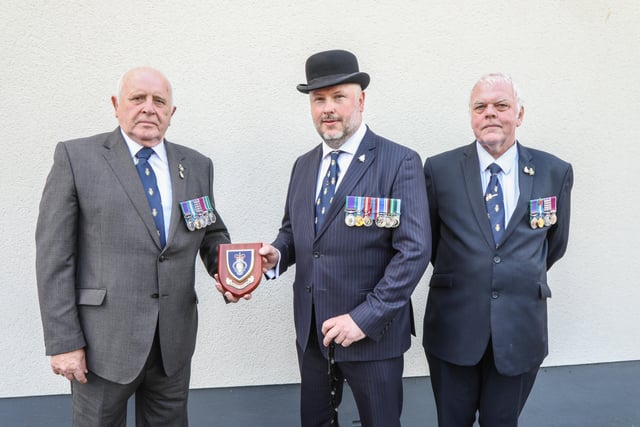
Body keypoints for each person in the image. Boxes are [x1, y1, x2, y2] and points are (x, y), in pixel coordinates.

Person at [35, 67, 233, 426]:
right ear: (116, 104)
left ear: (171, 113)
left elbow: (209, 232)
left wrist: (232, 270)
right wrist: (63, 341)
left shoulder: (196, 165)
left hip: (172, 343)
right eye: (137, 98)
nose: (148, 108)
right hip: (101, 346)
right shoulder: (77, 158)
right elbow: (54, 257)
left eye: (159, 101)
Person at [257, 49, 431, 427]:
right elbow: (294, 230)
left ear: (361, 100)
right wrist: (277, 255)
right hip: (313, 334)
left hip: (373, 337)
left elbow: (414, 251)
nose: (328, 108)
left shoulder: (398, 161)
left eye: (339, 97)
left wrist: (363, 318)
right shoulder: (304, 165)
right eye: (319, 99)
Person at [422, 73, 573, 426]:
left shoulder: (554, 171)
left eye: (501, 105)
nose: (490, 113)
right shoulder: (439, 170)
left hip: (520, 329)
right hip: (454, 327)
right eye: (480, 107)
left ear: (519, 114)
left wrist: (511, 273)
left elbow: (555, 243)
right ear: (472, 116)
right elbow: (430, 242)